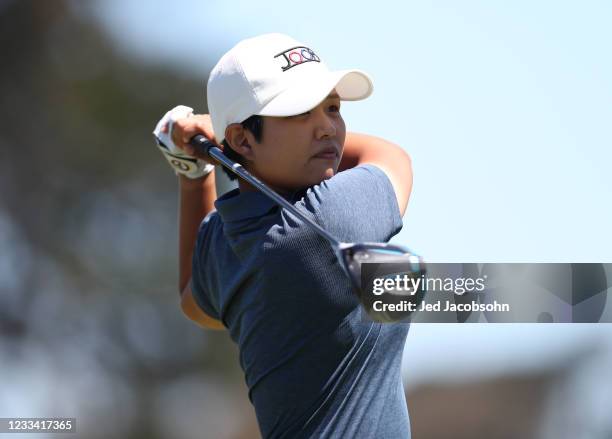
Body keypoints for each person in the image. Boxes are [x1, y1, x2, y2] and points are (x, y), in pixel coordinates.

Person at [153, 33, 414, 438]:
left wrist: (194, 175)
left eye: (333, 108)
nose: (328, 127)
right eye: (301, 113)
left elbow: (193, 299)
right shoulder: (324, 222)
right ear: (241, 138)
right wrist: (217, 142)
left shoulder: (227, 239)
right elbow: (391, 157)